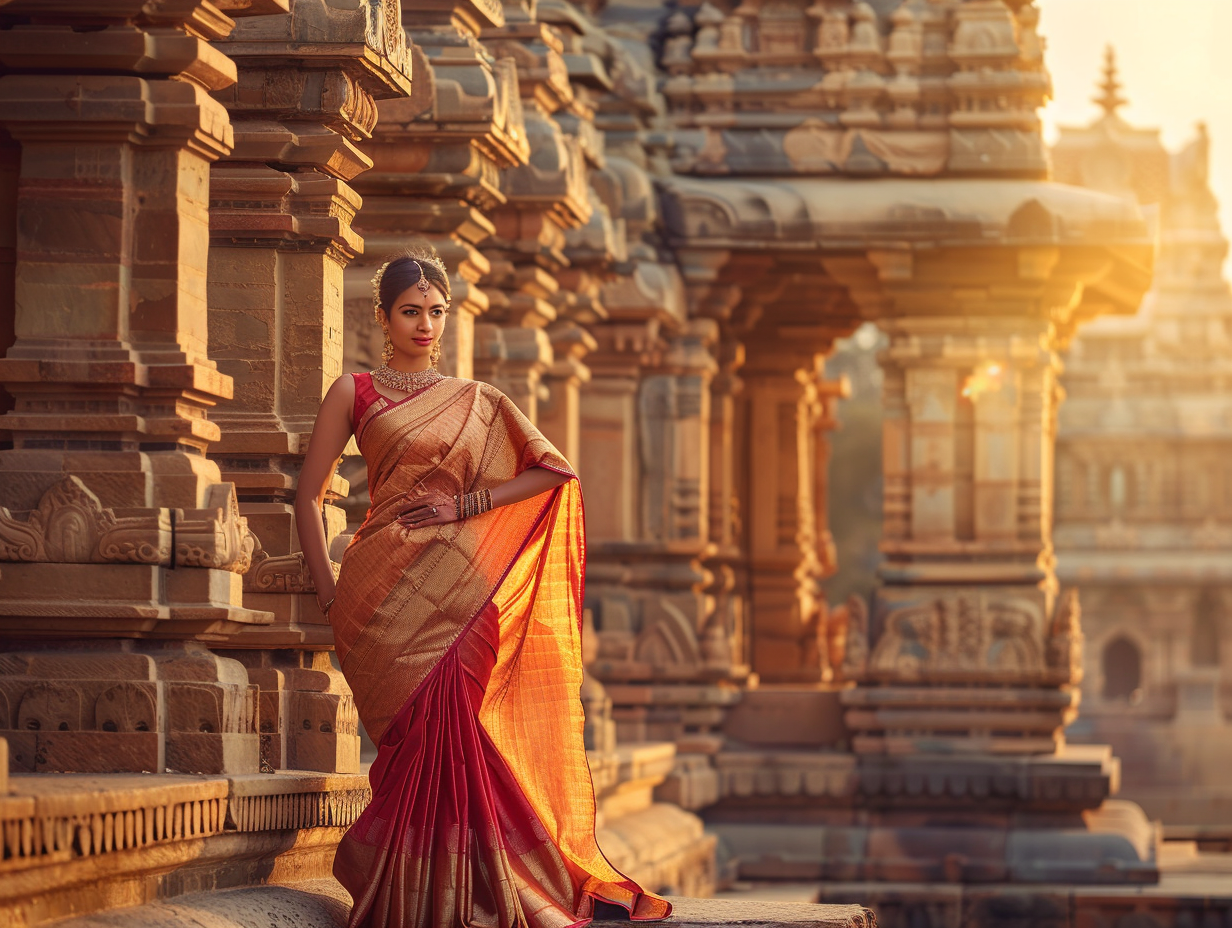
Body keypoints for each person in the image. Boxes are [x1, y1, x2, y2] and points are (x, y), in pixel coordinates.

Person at [294, 248, 672, 928]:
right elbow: (306, 496)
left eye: (436, 312)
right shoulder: (354, 392)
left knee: (461, 739)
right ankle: (420, 897)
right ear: (382, 318)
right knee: (411, 747)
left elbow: (555, 474)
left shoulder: (477, 402)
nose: (425, 325)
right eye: (411, 311)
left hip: (464, 601)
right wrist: (328, 593)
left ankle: (471, 895)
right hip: (378, 601)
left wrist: (466, 506)